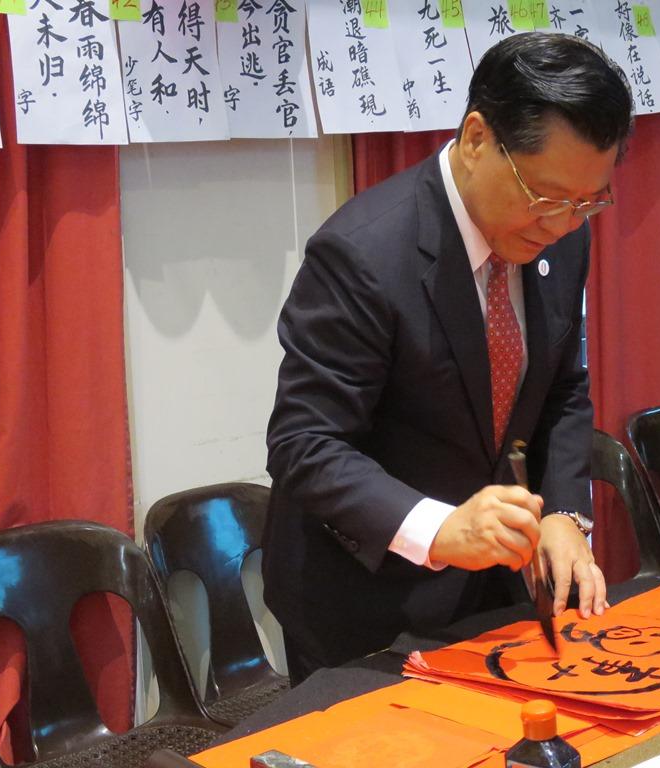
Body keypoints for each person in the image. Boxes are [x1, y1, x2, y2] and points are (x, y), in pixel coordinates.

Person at [264, 32, 634, 685]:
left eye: (589, 202)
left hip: (488, 598)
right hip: (361, 604)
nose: (564, 224)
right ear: (475, 139)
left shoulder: (562, 237)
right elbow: (305, 445)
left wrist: (566, 516)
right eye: (546, 197)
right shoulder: (364, 255)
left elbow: (563, 390)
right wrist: (438, 529)